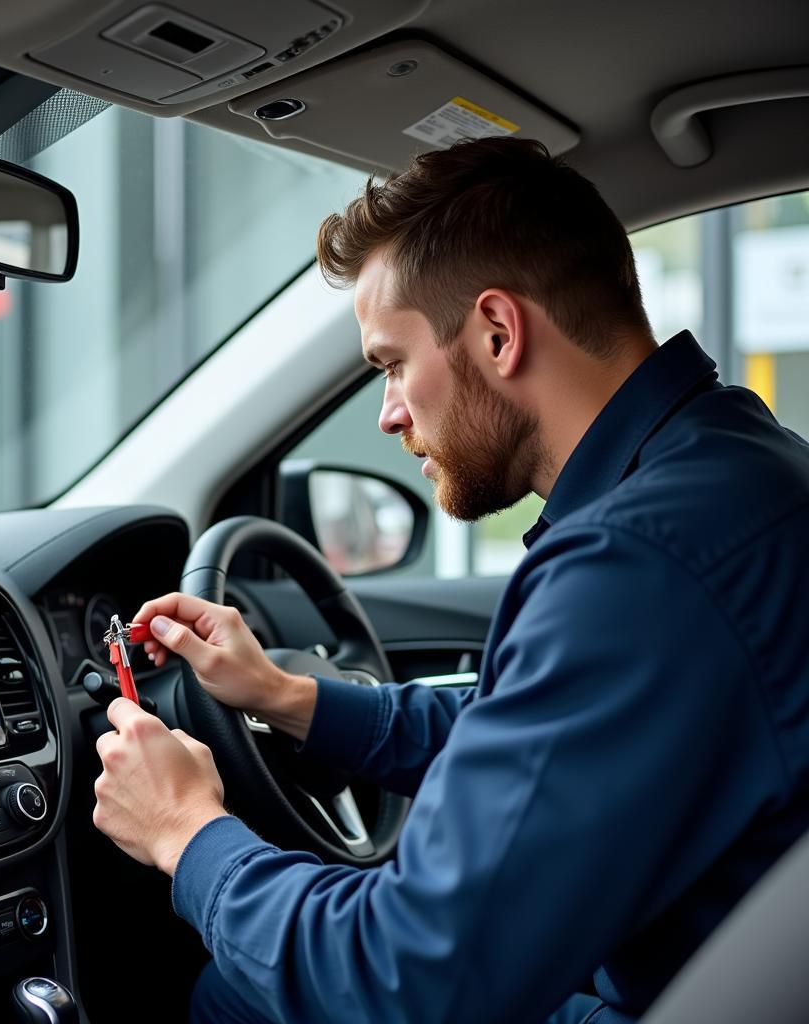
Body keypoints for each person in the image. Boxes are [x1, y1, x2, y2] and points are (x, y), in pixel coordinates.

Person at [91, 137, 809, 1023]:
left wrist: (185, 831)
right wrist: (288, 697)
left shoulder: (638, 565)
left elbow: (403, 978)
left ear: (499, 333)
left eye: (393, 364)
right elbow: (527, 729)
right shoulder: (735, 464)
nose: (390, 412)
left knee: (232, 996)